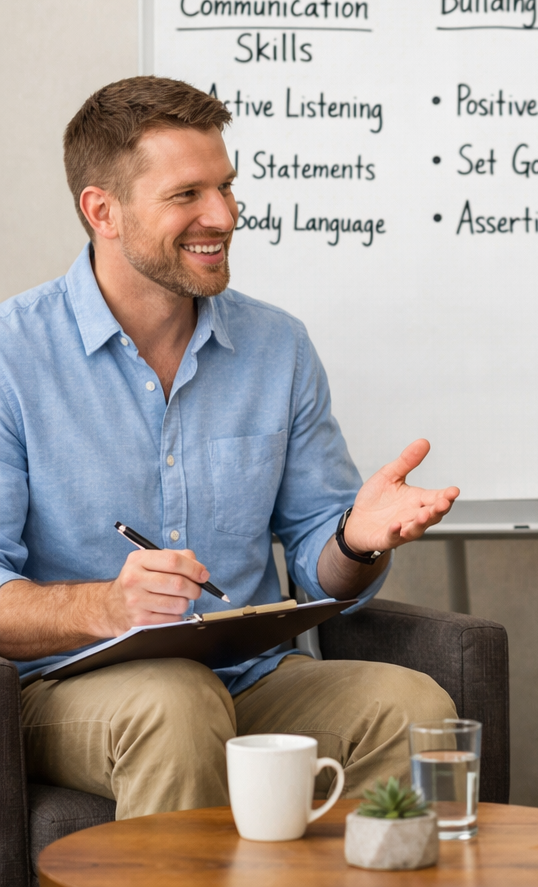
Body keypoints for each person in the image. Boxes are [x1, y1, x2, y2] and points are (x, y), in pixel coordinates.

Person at [0, 76, 461, 820]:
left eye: (227, 187)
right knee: (173, 704)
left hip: (249, 677)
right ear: (102, 211)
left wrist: (355, 540)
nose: (224, 215)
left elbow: (321, 564)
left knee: (414, 706)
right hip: (64, 689)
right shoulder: (11, 357)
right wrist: (110, 605)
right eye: (188, 195)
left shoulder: (277, 346)